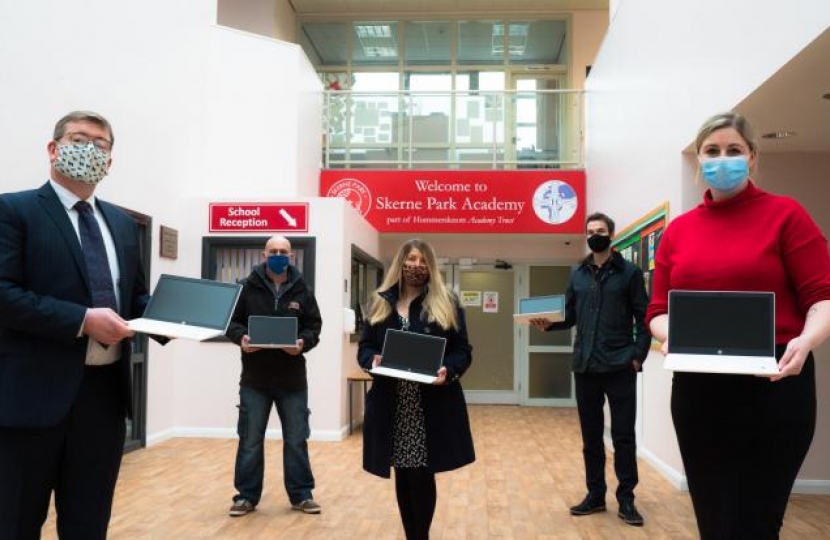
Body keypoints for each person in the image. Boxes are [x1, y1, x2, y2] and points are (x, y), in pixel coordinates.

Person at [646, 112, 830, 539]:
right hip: (700, 392)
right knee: (715, 519)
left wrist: (806, 341)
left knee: (756, 521)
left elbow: (822, 297)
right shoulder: (678, 232)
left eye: (733, 150)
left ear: (752, 157)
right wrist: (681, 336)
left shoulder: (786, 215)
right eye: (712, 151)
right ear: (698, 159)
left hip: (775, 386)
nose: (721, 159)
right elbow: (657, 312)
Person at [0, 111, 151, 539]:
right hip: (31, 397)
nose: (90, 150)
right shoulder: (14, 210)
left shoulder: (121, 223)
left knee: (88, 523)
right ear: (53, 148)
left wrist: (173, 315)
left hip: (103, 400)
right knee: (16, 523)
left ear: (110, 161)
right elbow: (3, 294)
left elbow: (133, 297)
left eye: (101, 145)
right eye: (79, 139)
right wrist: (82, 321)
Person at [530, 212, 650, 527]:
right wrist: (548, 325)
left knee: (623, 436)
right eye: (590, 231)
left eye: (600, 230)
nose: (594, 235)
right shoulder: (578, 274)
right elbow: (570, 315)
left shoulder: (630, 274)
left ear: (611, 235)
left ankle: (627, 500)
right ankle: (595, 496)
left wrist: (638, 355)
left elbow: (645, 319)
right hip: (585, 366)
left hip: (620, 366)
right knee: (591, 437)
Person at [358, 239, 475, 540]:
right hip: (392, 403)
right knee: (403, 473)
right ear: (400, 262)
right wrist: (372, 360)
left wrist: (448, 370)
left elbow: (462, 350)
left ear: (431, 267)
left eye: (423, 261)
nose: (416, 266)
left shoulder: (446, 301)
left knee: (422, 473)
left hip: (430, 404)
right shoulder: (380, 301)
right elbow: (366, 347)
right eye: (410, 259)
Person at [225, 235, 323, 517]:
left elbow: (314, 326)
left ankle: (302, 495)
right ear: (264, 255)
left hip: (292, 379)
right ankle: (245, 496)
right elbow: (230, 322)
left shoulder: (302, 289)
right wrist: (241, 338)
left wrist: (303, 343)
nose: (279, 255)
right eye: (273, 251)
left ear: (291, 256)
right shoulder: (246, 288)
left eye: (284, 251)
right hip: (254, 380)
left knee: (296, 439)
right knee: (250, 439)